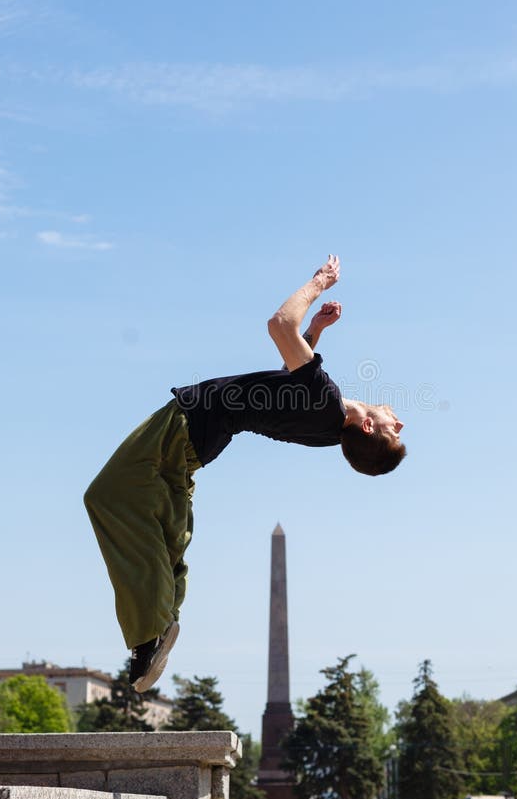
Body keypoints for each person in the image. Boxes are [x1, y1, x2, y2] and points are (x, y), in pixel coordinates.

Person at [84, 255, 406, 692]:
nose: (399, 422)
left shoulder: (327, 404)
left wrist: (319, 283)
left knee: (107, 497)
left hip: (183, 427)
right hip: (199, 445)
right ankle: (157, 627)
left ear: (367, 427)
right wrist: (315, 332)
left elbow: (277, 325)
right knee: (161, 525)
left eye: (393, 431)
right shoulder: (330, 426)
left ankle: (150, 629)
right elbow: (284, 385)